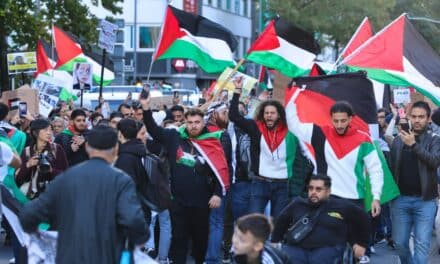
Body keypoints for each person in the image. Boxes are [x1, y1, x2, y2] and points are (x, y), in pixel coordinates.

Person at [19, 125, 149, 264]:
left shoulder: (66, 178)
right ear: (116, 149)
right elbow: (134, 222)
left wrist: (43, 238)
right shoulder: (121, 181)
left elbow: (28, 215)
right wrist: (138, 238)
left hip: (68, 257)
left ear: (87, 147)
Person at [140, 94, 229, 264]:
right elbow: (153, 129)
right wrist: (146, 107)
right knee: (179, 240)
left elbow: (222, 169)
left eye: (197, 122)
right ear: (185, 122)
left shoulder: (213, 140)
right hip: (178, 200)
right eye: (190, 122)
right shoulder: (175, 137)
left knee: (200, 241)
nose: (193, 126)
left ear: (203, 122)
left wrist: (218, 193)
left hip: (203, 201)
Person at [286, 94, 383, 216]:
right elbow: (293, 125)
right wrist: (294, 94)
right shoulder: (320, 133)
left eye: (343, 121)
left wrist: (376, 197)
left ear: (350, 119)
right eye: (336, 121)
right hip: (327, 199)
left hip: (354, 199)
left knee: (352, 235)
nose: (339, 125)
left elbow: (375, 170)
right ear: (331, 119)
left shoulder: (364, 139)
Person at [229, 77, 306, 218]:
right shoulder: (256, 127)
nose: (269, 116)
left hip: (282, 185)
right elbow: (234, 116)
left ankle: (275, 241)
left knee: (278, 223)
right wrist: (237, 91)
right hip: (260, 183)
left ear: (279, 115)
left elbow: (301, 116)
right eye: (266, 113)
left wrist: (296, 93)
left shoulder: (291, 130)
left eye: (272, 113)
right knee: (254, 221)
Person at [271, 174, 371, 263]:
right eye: (311, 188)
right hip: (297, 248)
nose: (313, 192)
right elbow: (281, 222)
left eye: (318, 189)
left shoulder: (342, 206)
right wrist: (274, 242)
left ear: (328, 192)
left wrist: (361, 244)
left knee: (319, 259)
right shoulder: (298, 204)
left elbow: (364, 219)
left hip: (328, 249)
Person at [389, 101, 440, 264]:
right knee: (400, 244)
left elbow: (434, 162)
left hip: (425, 201)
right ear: (409, 117)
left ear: (428, 119)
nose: (417, 120)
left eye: (421, 117)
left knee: (422, 244)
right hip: (400, 200)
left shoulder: (434, 140)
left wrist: (414, 145)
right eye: (414, 116)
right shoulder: (398, 141)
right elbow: (391, 168)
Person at [204, 102, 233, 264]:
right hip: (218, 186)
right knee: (216, 222)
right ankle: (212, 259)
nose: (227, 116)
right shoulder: (221, 135)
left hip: (205, 185)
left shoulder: (202, 133)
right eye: (224, 113)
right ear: (214, 115)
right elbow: (224, 165)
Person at [15, 119, 68, 199]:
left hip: (52, 196)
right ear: (35, 132)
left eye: (50, 130)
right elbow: (18, 179)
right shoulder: (27, 151)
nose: (49, 133)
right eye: (45, 130)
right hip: (32, 196)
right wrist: (28, 165)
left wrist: (51, 170)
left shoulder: (56, 149)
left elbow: (66, 174)